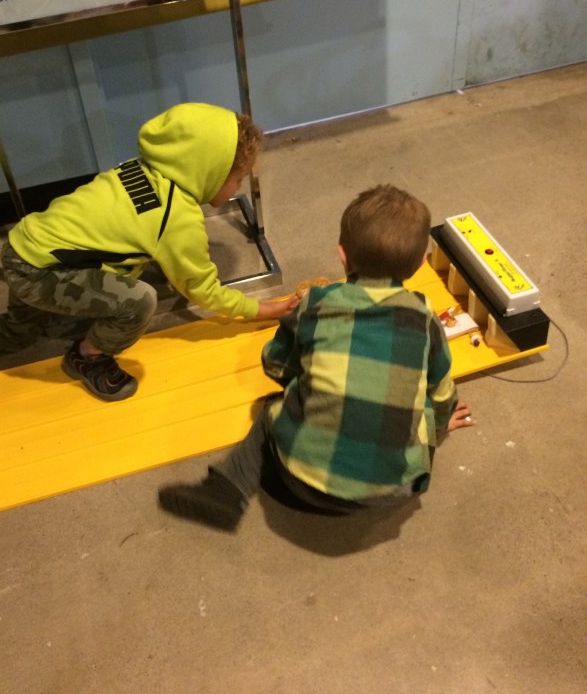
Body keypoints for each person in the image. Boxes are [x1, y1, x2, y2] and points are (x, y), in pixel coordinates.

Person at [0, 103, 298, 401]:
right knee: (139, 301)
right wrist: (260, 309)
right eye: (236, 178)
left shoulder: (138, 168)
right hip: (41, 272)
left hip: (24, 247)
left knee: (16, 332)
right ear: (207, 170)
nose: (236, 188)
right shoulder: (177, 219)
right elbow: (202, 289)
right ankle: (88, 356)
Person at [158, 184, 475, 531]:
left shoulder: (317, 303)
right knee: (417, 399)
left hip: (297, 479)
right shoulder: (425, 320)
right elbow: (442, 392)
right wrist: (439, 424)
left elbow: (275, 363)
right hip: (393, 490)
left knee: (273, 406)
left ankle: (227, 488)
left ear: (342, 254)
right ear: (420, 265)